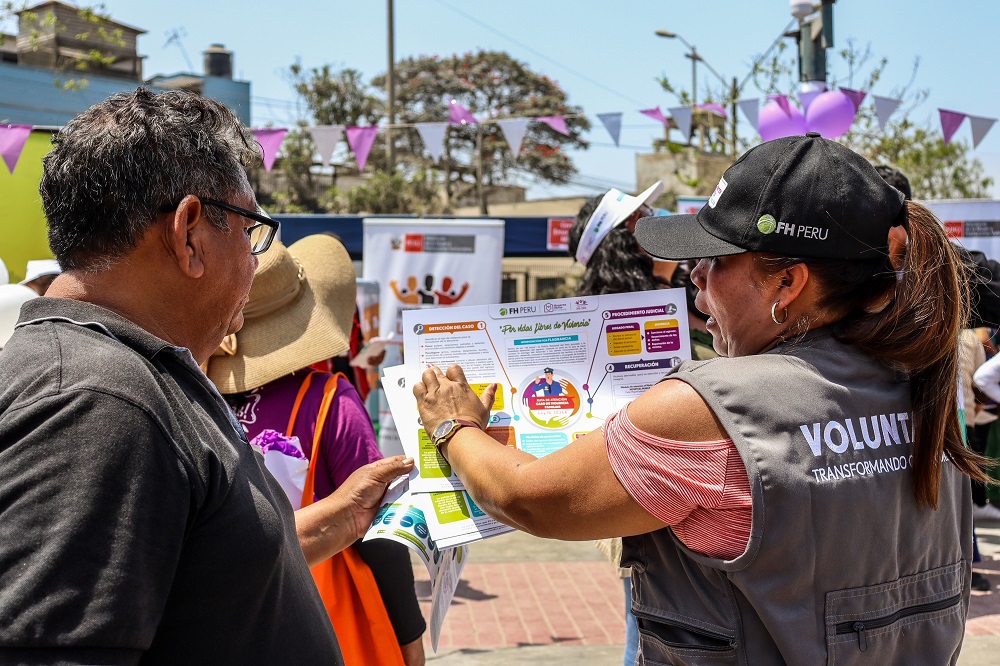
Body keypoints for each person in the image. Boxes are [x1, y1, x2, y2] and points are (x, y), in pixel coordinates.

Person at [413, 133, 986, 663]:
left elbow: (525, 497)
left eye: (715, 261)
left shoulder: (711, 406)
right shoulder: (920, 380)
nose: (694, 279)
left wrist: (455, 426)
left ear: (787, 284)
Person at [0, 88, 413, 664]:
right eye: (249, 233)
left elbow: (198, 568)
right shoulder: (102, 401)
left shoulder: (126, 376)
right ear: (190, 232)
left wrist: (343, 512)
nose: (252, 260)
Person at [206, 234, 426, 666]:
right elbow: (378, 532)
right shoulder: (330, 401)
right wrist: (409, 639)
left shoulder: (191, 399)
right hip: (317, 625)